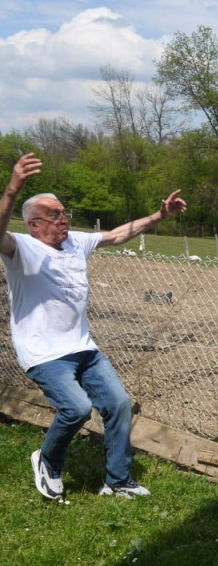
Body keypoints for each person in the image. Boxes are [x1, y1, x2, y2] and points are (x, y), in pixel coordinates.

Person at [0, 152, 187, 500]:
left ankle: (117, 482)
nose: (63, 219)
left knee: (118, 403)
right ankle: (48, 461)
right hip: (43, 352)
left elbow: (116, 235)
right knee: (77, 409)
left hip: (83, 347)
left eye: (64, 213)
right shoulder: (20, 249)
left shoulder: (75, 242)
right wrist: (12, 188)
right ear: (34, 224)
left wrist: (159, 216)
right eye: (54, 215)